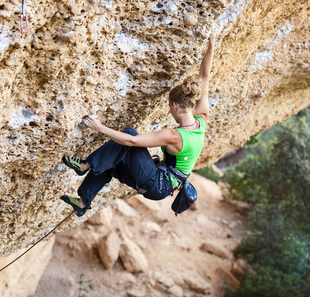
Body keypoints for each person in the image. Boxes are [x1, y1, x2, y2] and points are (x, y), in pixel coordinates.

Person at [61, 29, 216, 217]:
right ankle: (83, 202)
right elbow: (204, 77)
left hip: (155, 183)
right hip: (160, 185)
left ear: (174, 106)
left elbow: (132, 141)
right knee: (112, 161)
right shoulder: (202, 120)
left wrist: (99, 127)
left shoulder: (175, 136)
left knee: (130, 133)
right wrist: (211, 44)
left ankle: (85, 165)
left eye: (169, 107)